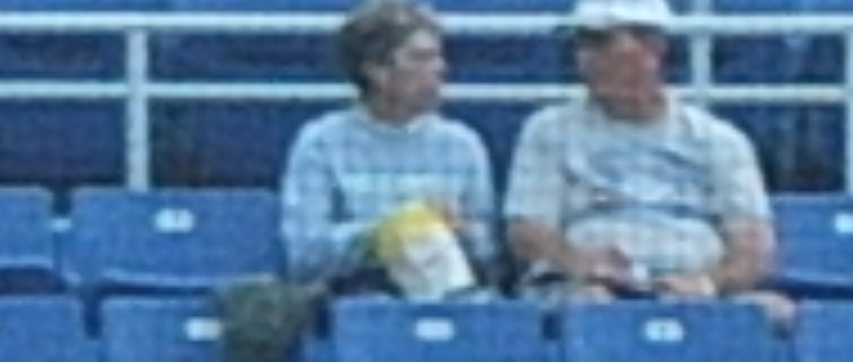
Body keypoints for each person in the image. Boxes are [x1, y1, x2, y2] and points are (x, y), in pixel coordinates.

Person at [502, 0, 792, 326]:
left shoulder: (719, 139)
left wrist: (709, 282)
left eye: (599, 42)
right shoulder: (548, 130)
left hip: (695, 285)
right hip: (586, 285)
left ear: (653, 45)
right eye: (581, 44)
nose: (584, 58)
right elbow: (527, 231)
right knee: (589, 306)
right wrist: (581, 263)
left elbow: (753, 245)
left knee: (775, 312)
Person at [281, 2, 499, 295]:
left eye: (439, 57)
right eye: (421, 58)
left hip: (448, 296)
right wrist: (382, 236)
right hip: (354, 299)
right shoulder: (320, 143)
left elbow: (488, 251)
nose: (440, 68)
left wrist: (461, 232)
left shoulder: (463, 144)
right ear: (376, 71)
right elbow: (304, 256)